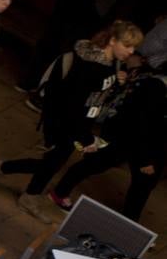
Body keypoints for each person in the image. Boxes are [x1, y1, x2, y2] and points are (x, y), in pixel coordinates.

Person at [0, 21, 142, 221]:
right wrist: (85, 139)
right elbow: (72, 106)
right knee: (51, 162)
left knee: (53, 161)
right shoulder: (88, 67)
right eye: (127, 46)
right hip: (63, 123)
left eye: (134, 47)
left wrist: (116, 80)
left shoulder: (111, 63)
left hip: (79, 124)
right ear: (113, 40)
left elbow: (97, 92)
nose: (131, 51)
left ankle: (28, 195)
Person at [46, 62, 166, 220]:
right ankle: (60, 192)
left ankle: (129, 222)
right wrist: (145, 160)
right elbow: (140, 124)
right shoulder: (155, 87)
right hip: (125, 137)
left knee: (143, 184)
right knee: (95, 163)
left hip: (149, 143)